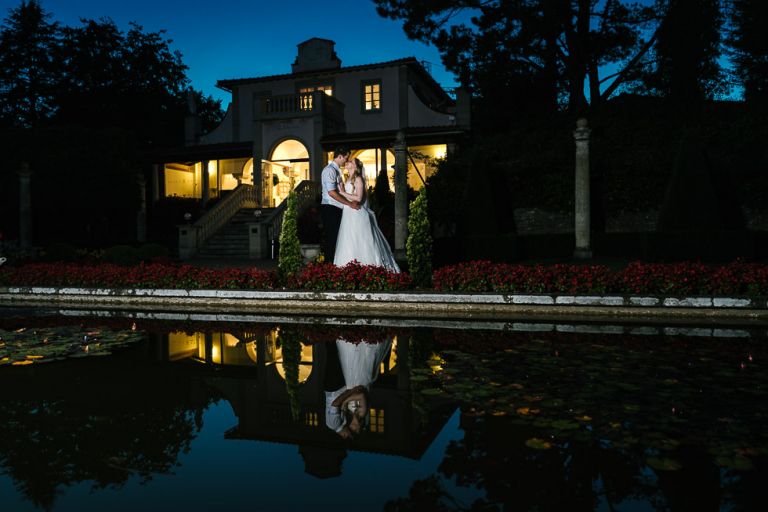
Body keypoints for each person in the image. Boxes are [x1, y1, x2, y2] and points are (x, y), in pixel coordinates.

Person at [333, 158, 400, 272]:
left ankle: (368, 269)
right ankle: (347, 270)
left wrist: (343, 192)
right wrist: (342, 189)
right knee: (349, 240)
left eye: (351, 162)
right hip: (348, 213)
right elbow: (348, 196)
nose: (347, 162)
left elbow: (359, 198)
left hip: (356, 213)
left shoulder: (358, 179)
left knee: (360, 240)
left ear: (355, 167)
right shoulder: (348, 178)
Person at [325, 336, 392, 439]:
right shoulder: (362, 413)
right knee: (361, 357)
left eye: (351, 428)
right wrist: (345, 401)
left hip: (349, 382)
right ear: (360, 426)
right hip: (359, 381)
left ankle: (343, 336)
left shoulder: (348, 415)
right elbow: (361, 395)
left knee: (343, 357)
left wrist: (348, 397)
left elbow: (354, 396)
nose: (352, 427)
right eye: (355, 429)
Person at [320, 147, 360, 262]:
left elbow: (340, 191)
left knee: (338, 238)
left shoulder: (338, 170)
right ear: (340, 156)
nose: (346, 161)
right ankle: (329, 266)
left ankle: (336, 264)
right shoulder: (329, 170)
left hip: (337, 208)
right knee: (332, 239)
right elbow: (332, 193)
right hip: (330, 208)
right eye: (346, 158)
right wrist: (349, 203)